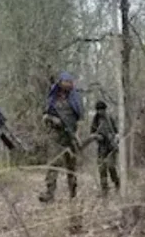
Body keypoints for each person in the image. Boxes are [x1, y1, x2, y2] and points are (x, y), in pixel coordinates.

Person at [40, 71, 83, 204]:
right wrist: (53, 119)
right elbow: (44, 116)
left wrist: (77, 134)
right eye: (66, 82)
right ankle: (49, 193)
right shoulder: (52, 99)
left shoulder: (75, 99)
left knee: (71, 166)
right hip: (56, 136)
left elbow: (80, 119)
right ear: (60, 82)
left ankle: (73, 193)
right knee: (54, 164)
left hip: (70, 136)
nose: (68, 84)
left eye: (70, 82)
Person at [89, 100, 121, 197]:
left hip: (111, 147)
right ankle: (104, 190)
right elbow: (92, 133)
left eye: (102, 110)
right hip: (101, 147)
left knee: (111, 166)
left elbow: (117, 132)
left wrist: (115, 139)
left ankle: (117, 184)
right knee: (102, 169)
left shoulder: (110, 118)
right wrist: (97, 136)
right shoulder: (95, 119)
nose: (100, 112)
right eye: (99, 110)